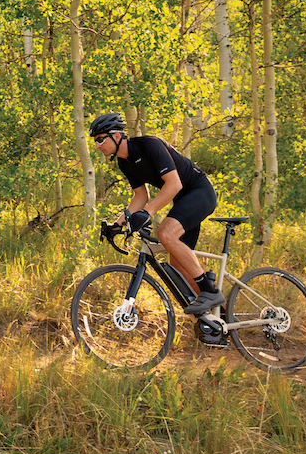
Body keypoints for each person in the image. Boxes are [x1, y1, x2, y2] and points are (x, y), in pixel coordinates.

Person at [88, 113, 222, 315]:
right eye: (95, 141)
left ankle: (209, 292)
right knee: (178, 268)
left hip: (199, 192)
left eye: (100, 139)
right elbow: (140, 197)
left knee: (165, 233)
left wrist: (147, 213)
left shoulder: (150, 145)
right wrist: (118, 224)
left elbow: (174, 184)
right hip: (182, 200)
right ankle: (216, 320)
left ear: (116, 136)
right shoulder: (125, 162)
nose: (97, 145)